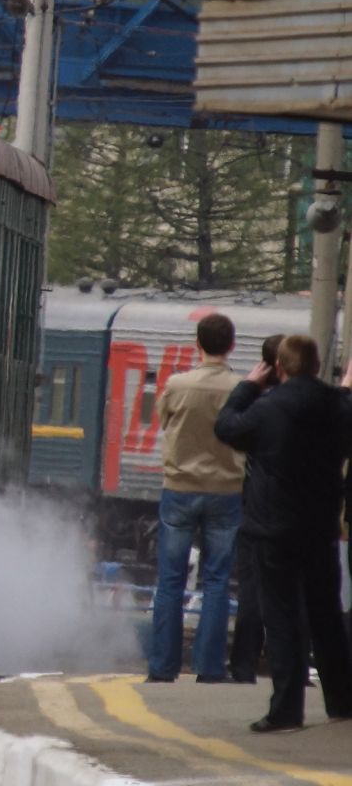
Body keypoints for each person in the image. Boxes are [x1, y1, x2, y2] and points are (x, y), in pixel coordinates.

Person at [213, 334, 352, 732]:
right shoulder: (336, 406)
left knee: (283, 616)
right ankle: (342, 701)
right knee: (326, 613)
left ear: (279, 368)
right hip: (321, 525)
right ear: (316, 364)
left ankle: (287, 710)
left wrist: (246, 387)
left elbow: (226, 428)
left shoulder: (268, 407)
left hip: (274, 528)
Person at [145, 312, 245, 683]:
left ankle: (162, 668)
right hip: (226, 490)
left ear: (197, 344)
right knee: (217, 580)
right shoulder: (240, 388)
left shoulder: (176, 384)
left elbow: (165, 421)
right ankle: (209, 669)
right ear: (231, 345)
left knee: (170, 580)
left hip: (180, 488)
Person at [229, 334, 285, 684]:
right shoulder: (317, 403)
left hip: (258, 505)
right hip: (300, 510)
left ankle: (244, 665)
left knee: (252, 589)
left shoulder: (259, 407)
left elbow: (227, 427)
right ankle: (286, 664)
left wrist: (248, 387)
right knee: (293, 592)